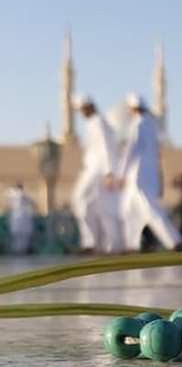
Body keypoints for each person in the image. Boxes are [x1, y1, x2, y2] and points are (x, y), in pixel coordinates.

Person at [117, 93, 182, 252]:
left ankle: (175, 242)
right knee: (128, 211)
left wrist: (119, 175)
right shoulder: (151, 125)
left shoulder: (138, 125)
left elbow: (130, 151)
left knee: (151, 211)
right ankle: (131, 245)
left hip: (139, 178)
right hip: (146, 176)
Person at [72, 95, 123, 253]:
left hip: (97, 170)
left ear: (88, 107)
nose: (81, 112)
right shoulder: (94, 123)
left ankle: (94, 243)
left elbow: (105, 146)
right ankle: (101, 244)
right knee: (98, 207)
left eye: (82, 109)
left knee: (79, 198)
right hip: (95, 169)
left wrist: (109, 172)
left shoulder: (98, 122)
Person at [4, 183, 35, 254]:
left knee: (19, 235)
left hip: (18, 216)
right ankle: (20, 250)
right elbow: (32, 202)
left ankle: (19, 250)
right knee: (20, 235)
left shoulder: (16, 194)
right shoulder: (22, 194)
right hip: (20, 216)